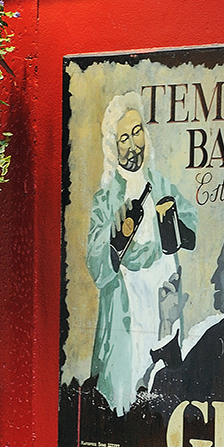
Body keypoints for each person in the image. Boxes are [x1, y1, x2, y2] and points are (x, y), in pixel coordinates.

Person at [86, 91, 197, 414]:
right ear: (112, 146)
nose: (133, 144)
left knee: (164, 388)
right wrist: (116, 236)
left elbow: (189, 233)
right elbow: (97, 266)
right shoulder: (105, 199)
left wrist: (172, 222)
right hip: (128, 308)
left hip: (162, 302)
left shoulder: (162, 184)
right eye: (124, 137)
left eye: (137, 132)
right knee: (129, 387)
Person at [148, 216, 224, 403]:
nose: (213, 278)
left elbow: (170, 397)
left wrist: (165, 326)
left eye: (222, 266)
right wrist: (167, 322)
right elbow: (187, 380)